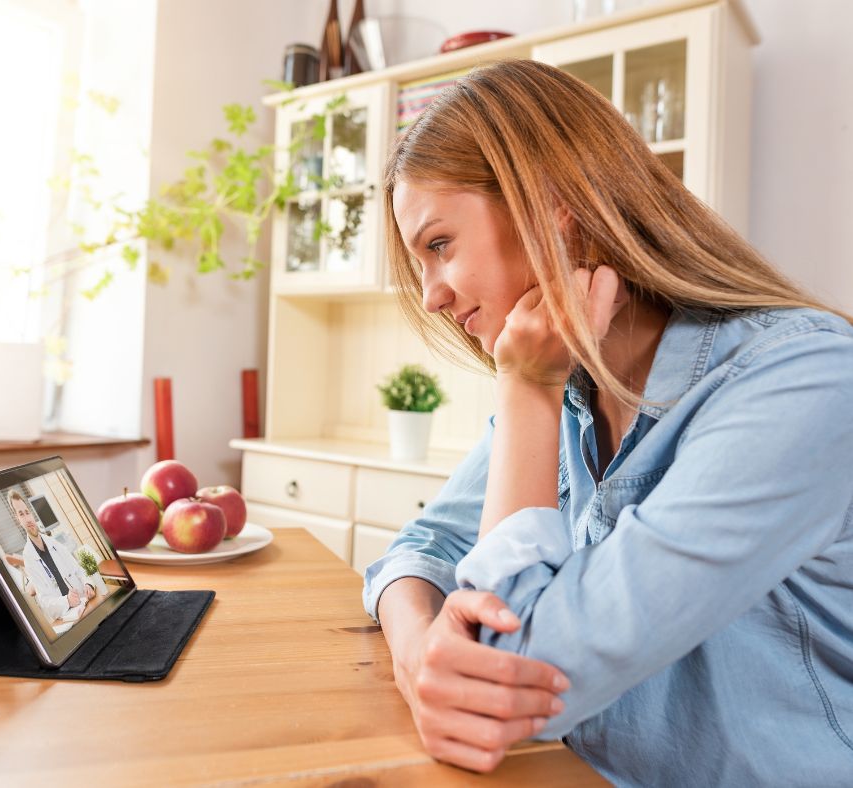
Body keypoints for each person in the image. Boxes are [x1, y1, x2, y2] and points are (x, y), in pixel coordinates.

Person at [362, 59, 853, 785]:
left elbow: (516, 672)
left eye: (439, 245)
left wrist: (525, 390)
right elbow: (423, 544)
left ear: (554, 207)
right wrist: (418, 658)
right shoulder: (574, 385)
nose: (432, 297)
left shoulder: (804, 383)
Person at [7, 489, 95, 623]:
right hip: (68, 616)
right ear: (17, 519)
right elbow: (44, 602)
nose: (27, 518)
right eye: (21, 514)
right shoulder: (29, 558)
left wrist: (89, 584)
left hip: (86, 603)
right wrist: (67, 601)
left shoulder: (54, 543)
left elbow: (79, 569)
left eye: (27, 512)